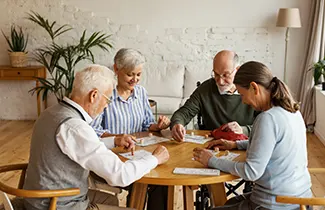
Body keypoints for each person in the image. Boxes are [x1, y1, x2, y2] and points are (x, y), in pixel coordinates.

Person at [23, 65, 170, 210]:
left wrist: (114, 140)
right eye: (107, 100)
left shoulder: (51, 113)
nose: (106, 106)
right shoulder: (75, 127)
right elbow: (120, 175)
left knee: (110, 200)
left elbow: (74, 146)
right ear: (94, 95)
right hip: (58, 205)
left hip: (36, 199)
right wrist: (155, 159)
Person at [193, 61, 312, 210]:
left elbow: (251, 172)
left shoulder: (268, 118)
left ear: (254, 87)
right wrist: (235, 144)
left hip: (276, 204)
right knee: (229, 203)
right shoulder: (292, 111)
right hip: (302, 201)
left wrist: (211, 160)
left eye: (242, 94)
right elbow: (273, 147)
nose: (243, 101)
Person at [171, 50, 256, 142]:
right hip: (212, 143)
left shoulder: (251, 90)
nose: (220, 81)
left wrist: (244, 130)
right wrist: (177, 124)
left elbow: (268, 125)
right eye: (216, 74)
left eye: (226, 75)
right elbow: (183, 113)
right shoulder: (205, 88)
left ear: (237, 70)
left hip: (245, 144)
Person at [91, 48, 170, 138]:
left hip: (138, 148)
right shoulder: (105, 94)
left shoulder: (141, 92)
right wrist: (118, 138)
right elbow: (94, 130)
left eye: (138, 74)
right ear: (116, 69)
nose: (135, 79)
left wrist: (158, 126)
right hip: (112, 150)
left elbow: (147, 124)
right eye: (130, 74)